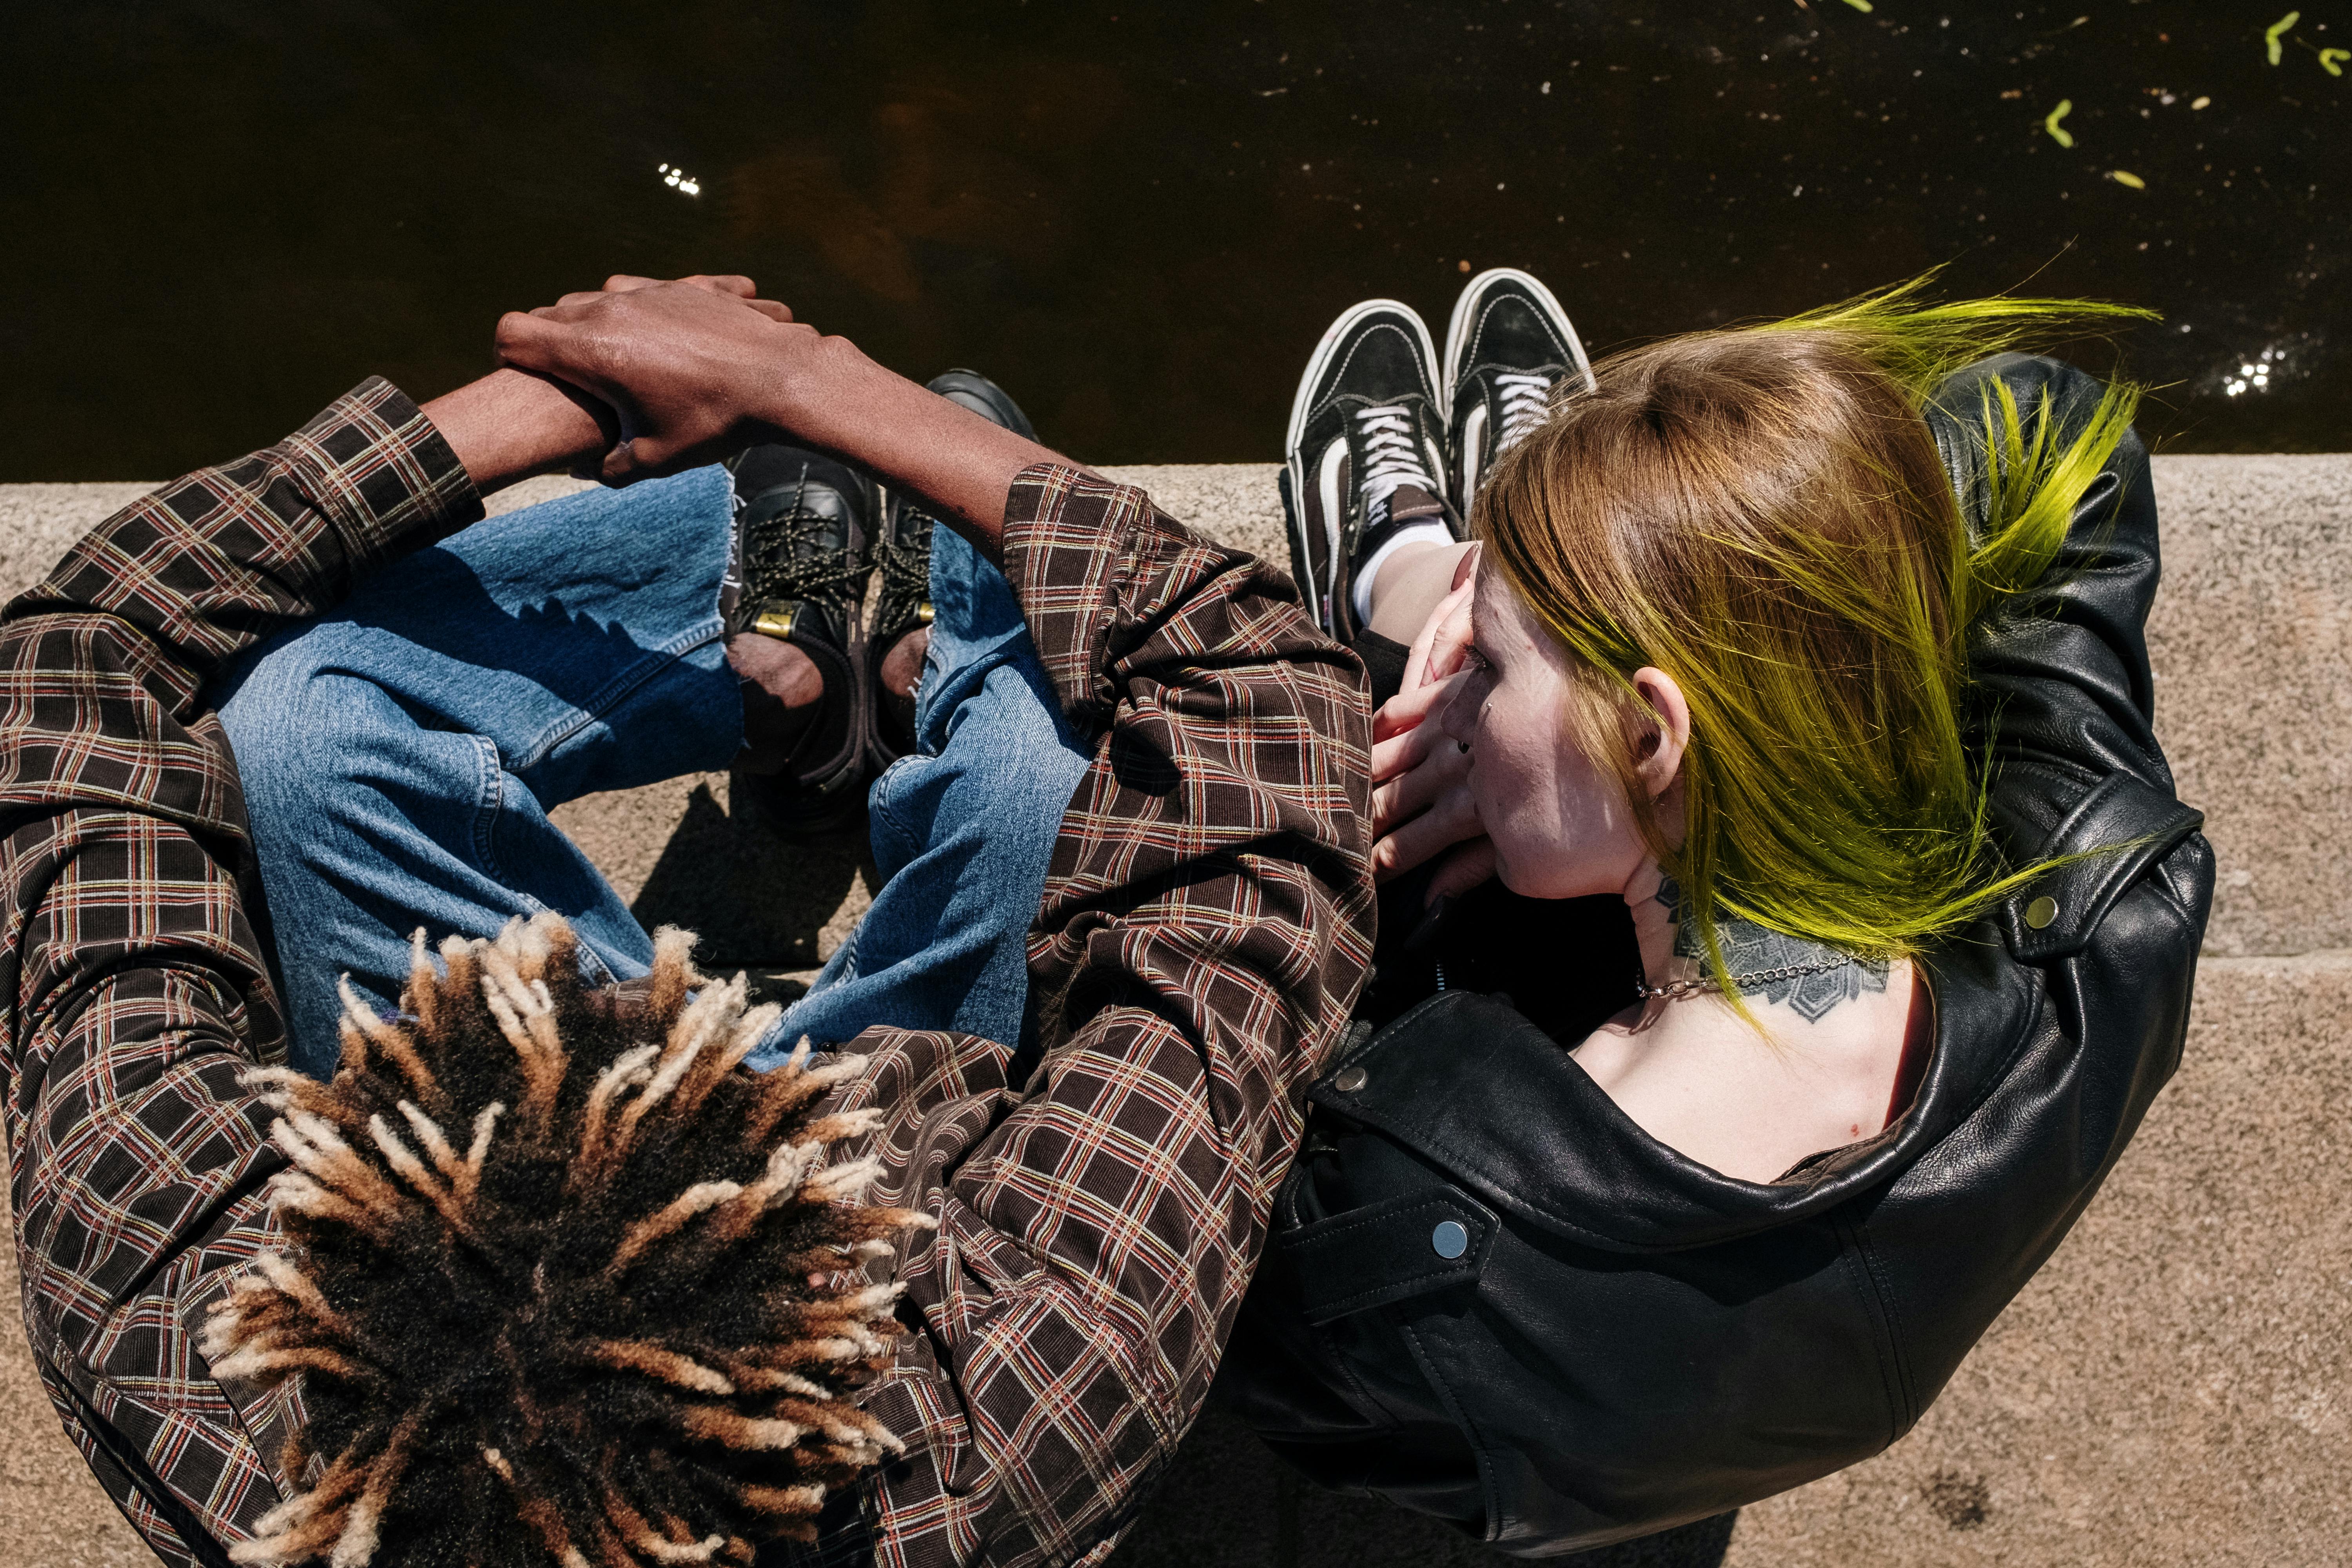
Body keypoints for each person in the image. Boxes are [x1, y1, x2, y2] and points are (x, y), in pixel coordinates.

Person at [0, 275, 1375, 1568]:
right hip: (919, 1131)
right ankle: (933, 642)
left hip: (659, 1186)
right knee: (1049, 764)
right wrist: (794, 383)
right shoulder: (995, 1424)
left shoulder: (226, 1401)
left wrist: (553, 403)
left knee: (291, 730)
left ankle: (798, 679)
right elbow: (1269, 741)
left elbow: (65, 686)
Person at [1214, 272, 2214, 1552]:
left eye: (1489, 669)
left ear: (1650, 736)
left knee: (1362, 748)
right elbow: (2043, 420)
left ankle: (1397, 581)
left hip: (1482, 1420)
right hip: (1678, 1413)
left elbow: (1243, 1360)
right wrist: (1722, 552)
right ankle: (1553, 556)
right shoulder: (2112, 917)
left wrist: (1328, 861)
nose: (1461, 705)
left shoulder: (1416, 1218)